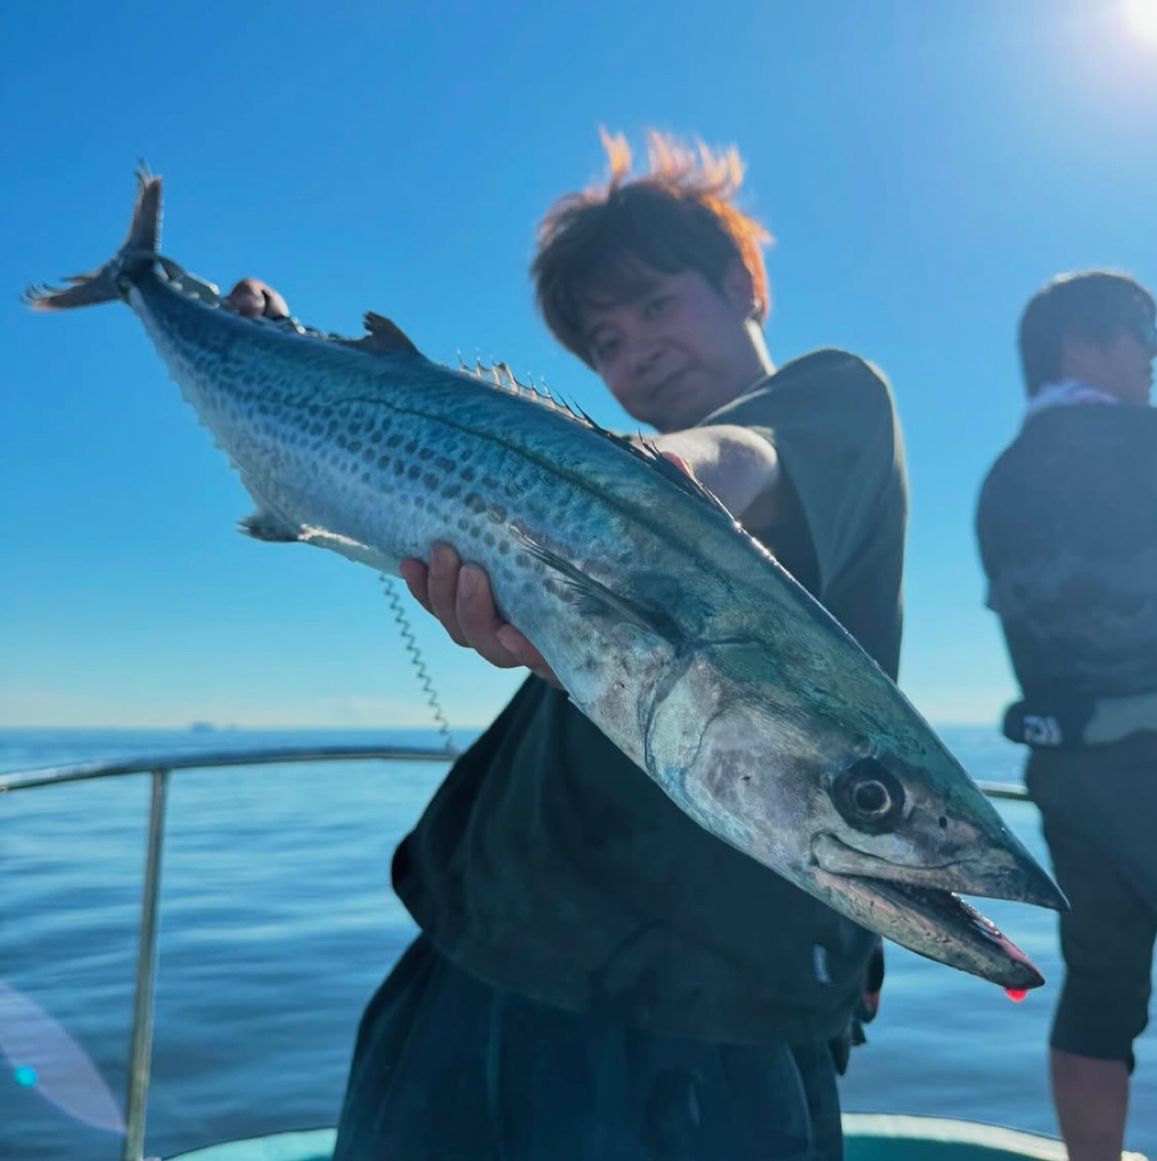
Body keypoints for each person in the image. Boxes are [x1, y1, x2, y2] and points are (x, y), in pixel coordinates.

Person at [234, 131, 905, 1160]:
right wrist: (279, 356)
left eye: (655, 305)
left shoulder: (835, 397)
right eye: (604, 343)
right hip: (473, 939)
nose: (634, 351)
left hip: (705, 1012)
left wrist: (652, 484)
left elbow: (738, 456)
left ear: (742, 284)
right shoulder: (581, 482)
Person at [975, 271, 1157, 1160]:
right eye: (1139, 329)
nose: (1153, 349)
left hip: (1066, 778)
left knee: (1101, 994)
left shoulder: (1002, 482)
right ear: (1081, 343)